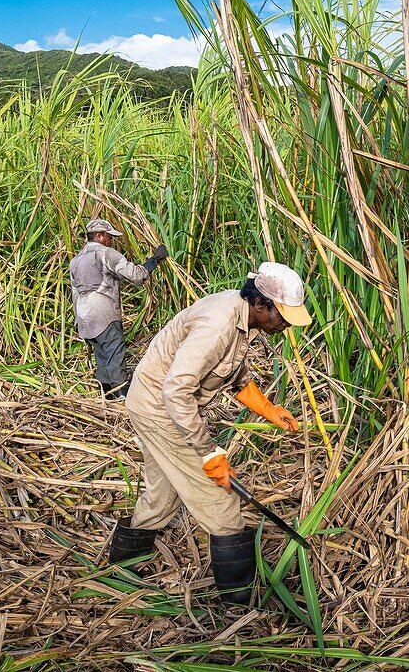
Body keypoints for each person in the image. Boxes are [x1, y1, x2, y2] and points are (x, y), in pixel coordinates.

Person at [107, 262, 311, 604]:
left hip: (159, 404)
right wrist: (209, 453)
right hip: (161, 408)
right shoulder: (218, 325)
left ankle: (119, 570)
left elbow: (232, 372)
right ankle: (238, 605)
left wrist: (267, 408)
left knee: (163, 497)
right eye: (283, 316)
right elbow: (176, 390)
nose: (287, 324)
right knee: (223, 507)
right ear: (261, 305)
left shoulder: (242, 317)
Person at [69, 218, 168, 399]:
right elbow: (136, 276)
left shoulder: (75, 261)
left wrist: (78, 320)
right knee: (115, 350)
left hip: (84, 314)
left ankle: (107, 396)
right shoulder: (106, 254)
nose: (110, 240)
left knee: (102, 355)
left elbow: (75, 293)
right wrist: (154, 260)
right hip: (103, 311)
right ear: (99, 236)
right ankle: (121, 395)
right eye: (108, 237)